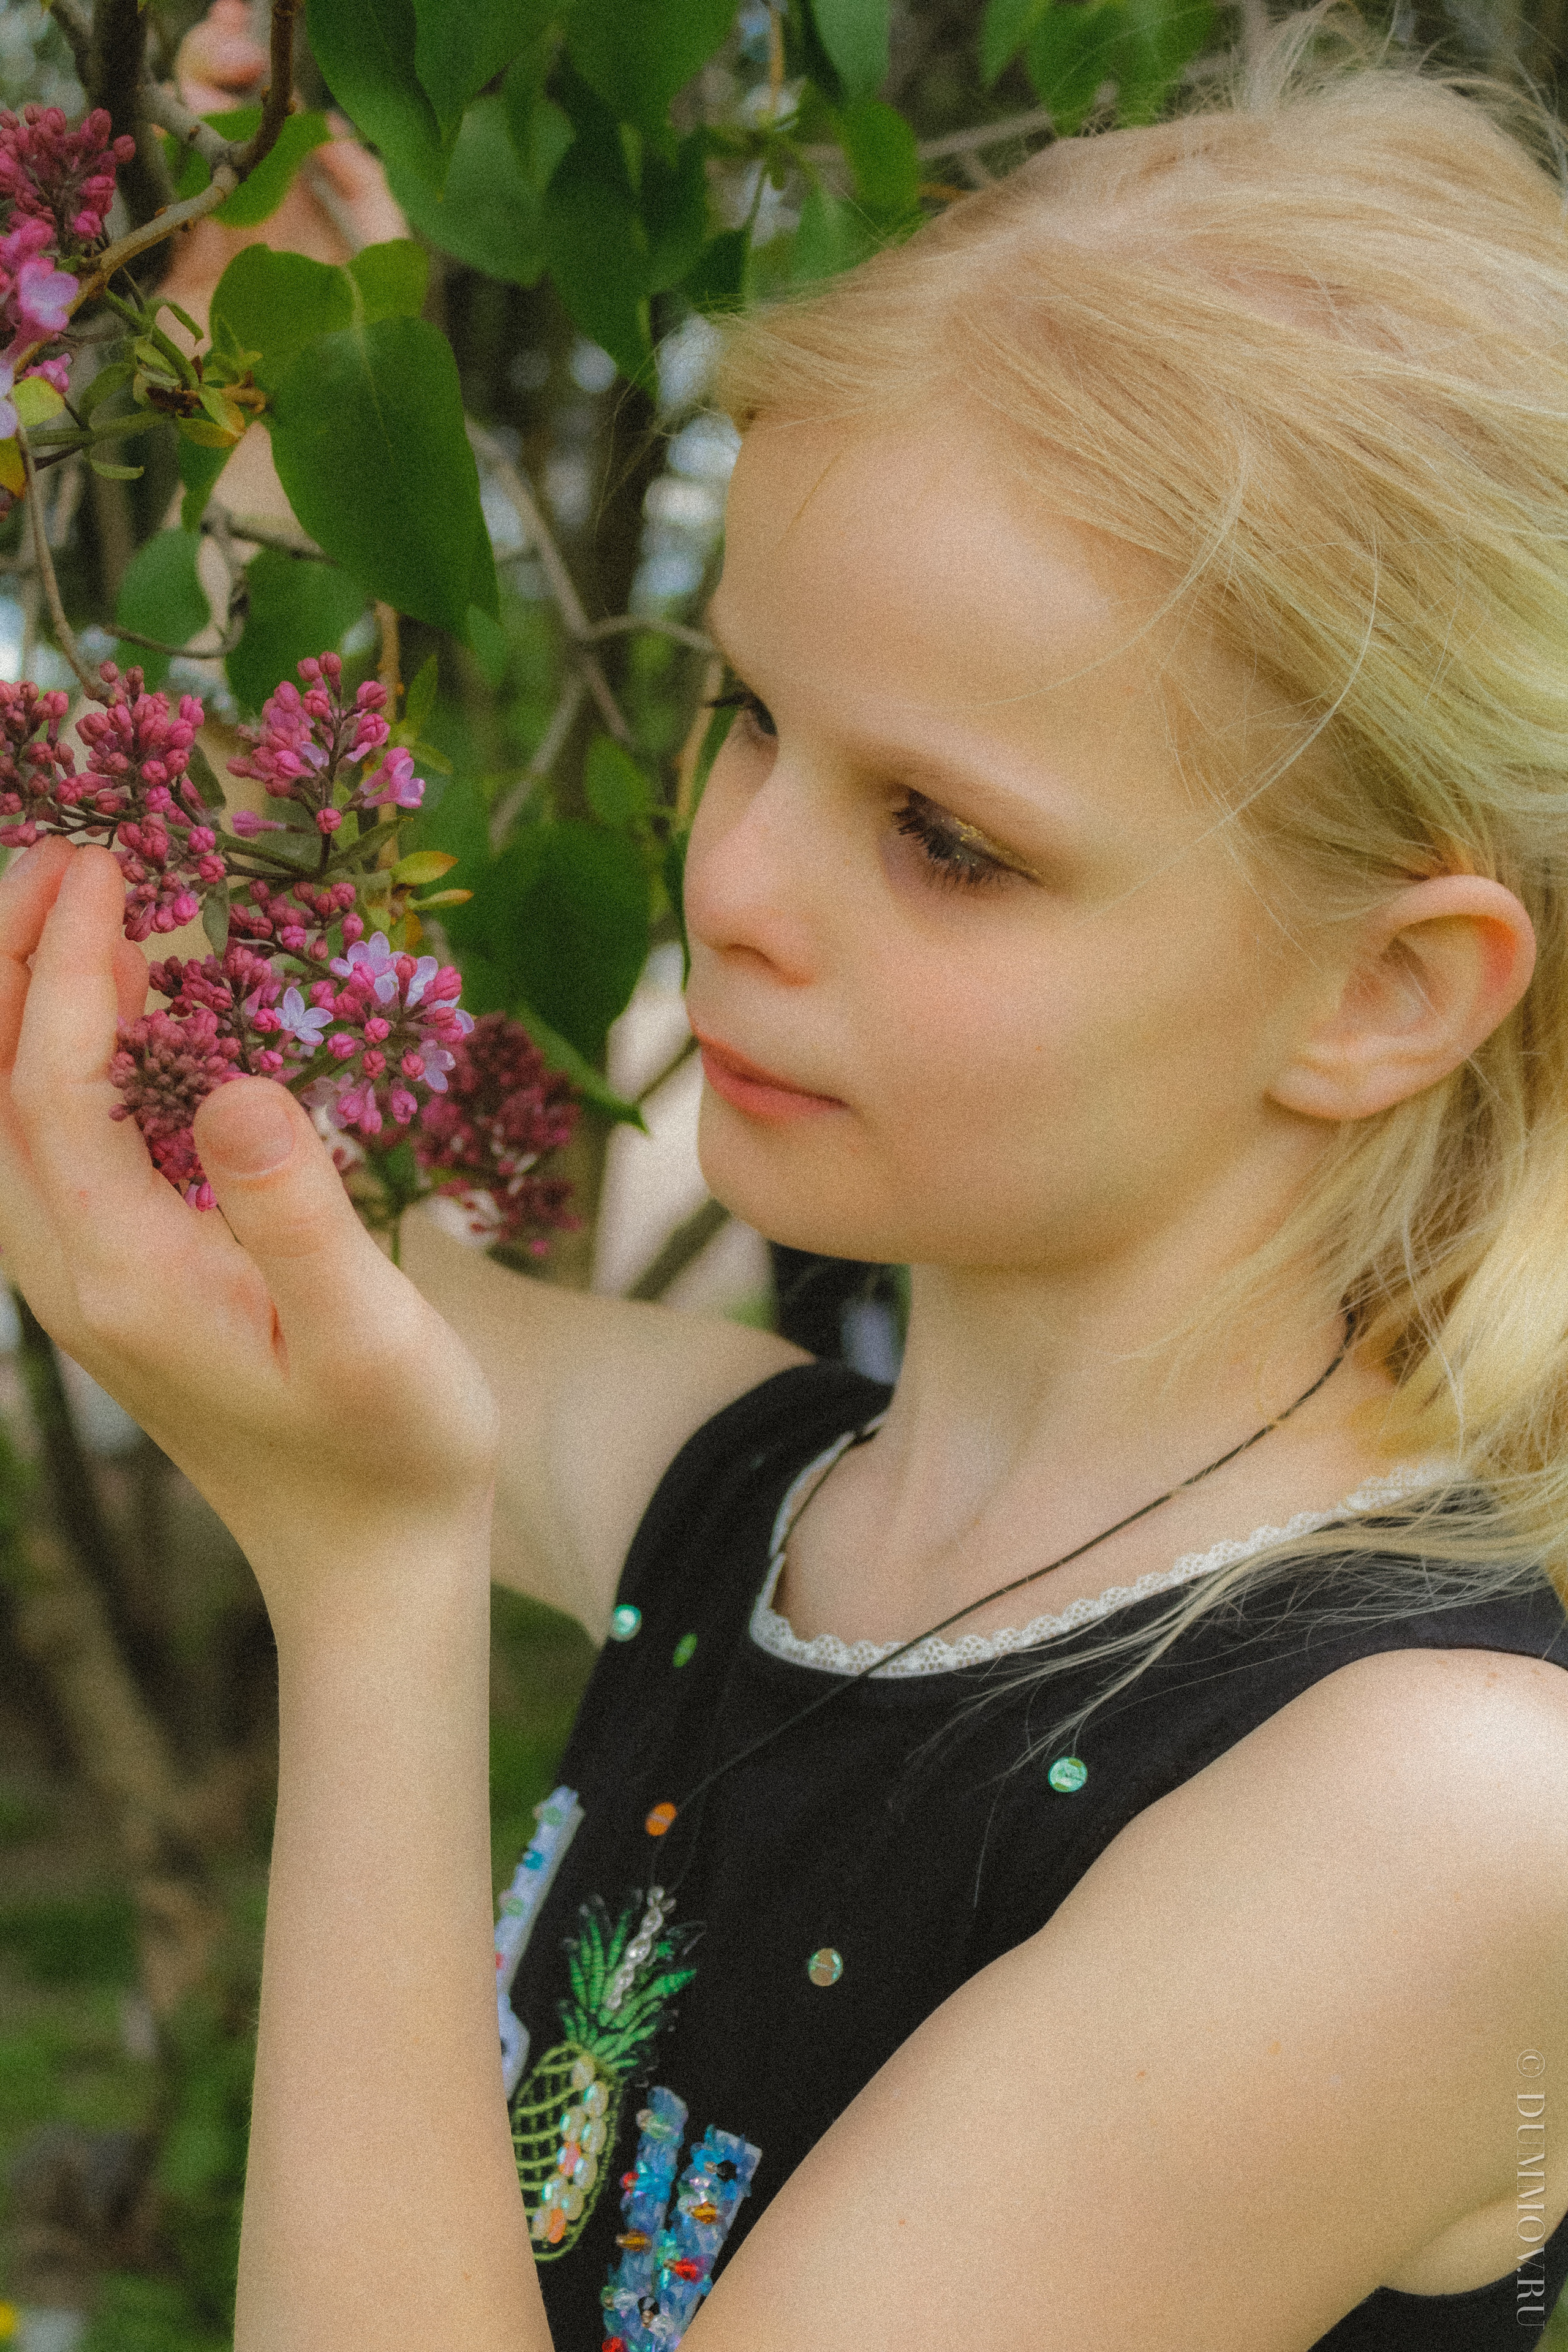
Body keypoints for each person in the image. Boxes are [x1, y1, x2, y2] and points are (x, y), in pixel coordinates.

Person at [5, 17, 1568, 2349]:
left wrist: (368, 1605)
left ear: (1383, 993)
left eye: (949, 840)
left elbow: (350, 1437)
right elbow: (232, 1154)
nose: (728, 875)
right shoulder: (755, 1501)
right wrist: (276, 412)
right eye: (750, 715)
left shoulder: (1436, 1826)